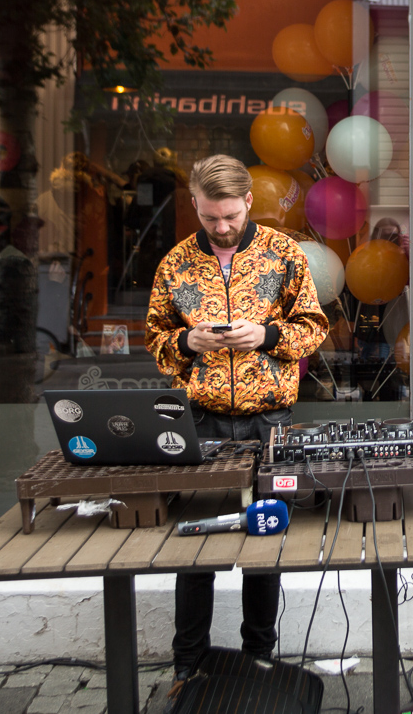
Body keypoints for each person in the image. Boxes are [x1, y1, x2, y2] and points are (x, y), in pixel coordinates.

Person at [144, 154, 329, 676]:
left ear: (249, 201)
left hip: (269, 422)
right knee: (195, 545)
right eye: (209, 218)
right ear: (195, 207)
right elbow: (157, 343)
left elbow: (314, 328)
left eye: (230, 216)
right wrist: (187, 340)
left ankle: (260, 660)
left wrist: (266, 335)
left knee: (265, 543)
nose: (222, 228)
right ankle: (188, 666)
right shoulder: (175, 264)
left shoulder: (283, 254)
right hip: (200, 421)